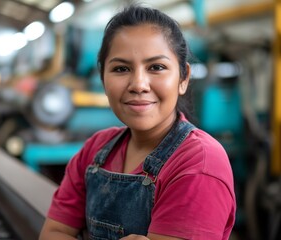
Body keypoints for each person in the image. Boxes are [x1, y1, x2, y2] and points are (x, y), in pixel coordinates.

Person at [40, 5, 236, 240]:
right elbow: (54, 233)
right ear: (103, 78)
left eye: (156, 67)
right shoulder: (95, 150)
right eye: (121, 69)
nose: (139, 84)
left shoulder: (199, 162)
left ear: (183, 78)